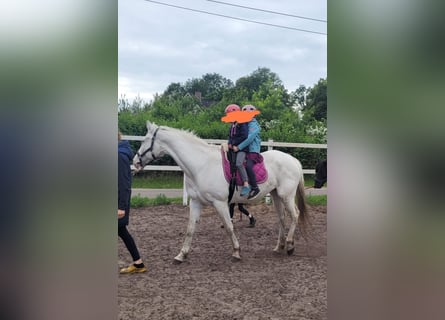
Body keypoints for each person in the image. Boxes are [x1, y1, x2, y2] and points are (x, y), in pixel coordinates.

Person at [118, 131, 147, 274]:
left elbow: (124, 183)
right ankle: (138, 263)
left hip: (118, 203)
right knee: (121, 231)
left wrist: (121, 207)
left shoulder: (119, 156)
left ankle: (138, 263)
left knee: (121, 230)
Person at [233, 105, 262, 199]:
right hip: (246, 150)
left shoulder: (253, 124)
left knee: (249, 166)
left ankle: (254, 187)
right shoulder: (245, 123)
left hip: (253, 150)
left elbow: (249, 138)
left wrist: (239, 147)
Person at [225, 104, 251, 197]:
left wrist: (234, 143)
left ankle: (246, 183)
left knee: (239, 163)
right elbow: (230, 136)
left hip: (242, 148)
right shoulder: (233, 125)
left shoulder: (242, 123)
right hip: (233, 147)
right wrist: (229, 143)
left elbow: (244, 136)